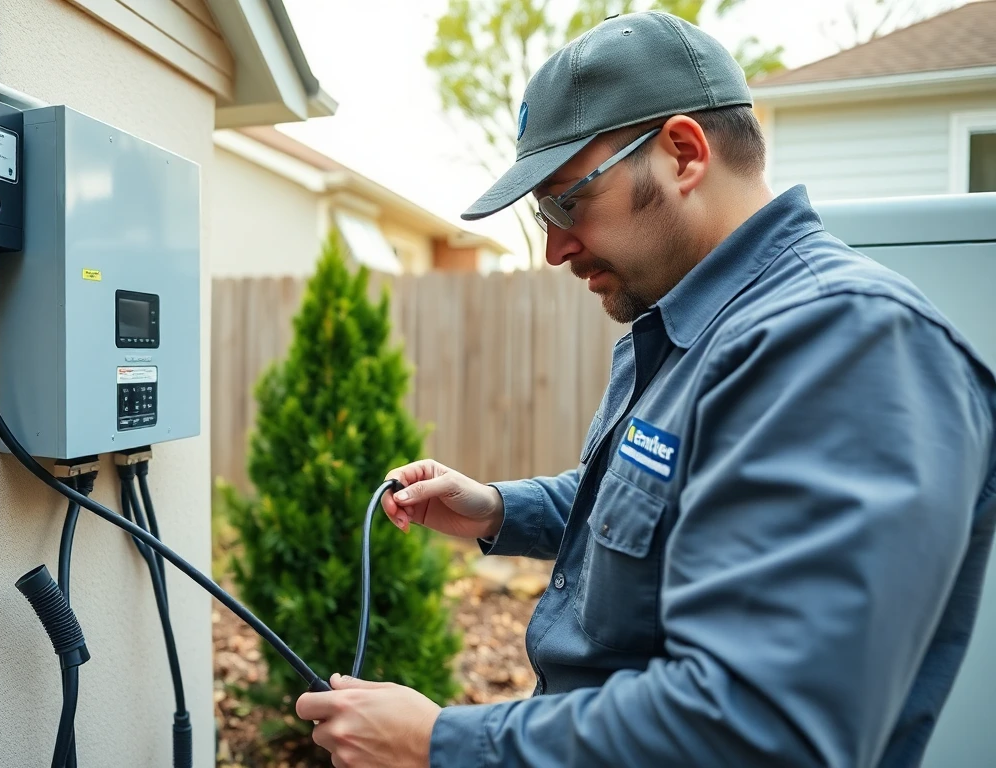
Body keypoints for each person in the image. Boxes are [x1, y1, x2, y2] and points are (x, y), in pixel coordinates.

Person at [295, 10, 996, 768]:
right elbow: (658, 503)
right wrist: (499, 508)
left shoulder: (845, 344)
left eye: (567, 202)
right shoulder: (687, 327)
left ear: (683, 154)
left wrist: (439, 743)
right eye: (542, 214)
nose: (555, 247)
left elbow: (758, 730)